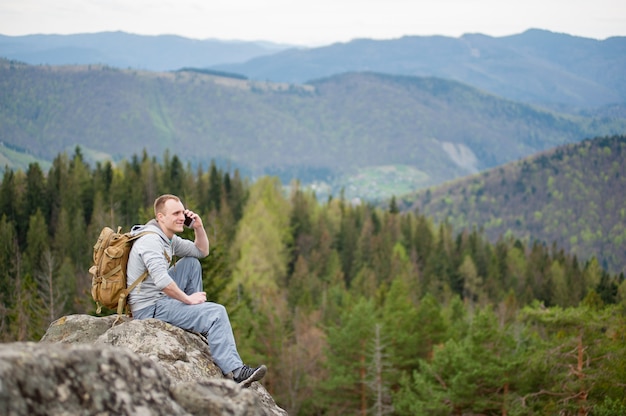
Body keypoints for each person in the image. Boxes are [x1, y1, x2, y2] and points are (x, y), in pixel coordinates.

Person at [126, 194, 266, 387]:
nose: (182, 217)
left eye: (182, 212)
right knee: (216, 313)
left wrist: (198, 227)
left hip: (158, 299)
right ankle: (236, 372)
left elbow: (201, 251)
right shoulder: (151, 242)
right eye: (175, 213)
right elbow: (162, 282)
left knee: (191, 263)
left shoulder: (167, 238)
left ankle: (197, 322)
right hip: (150, 308)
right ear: (160, 217)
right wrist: (188, 300)